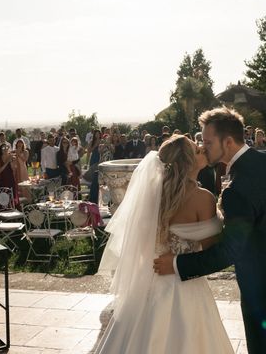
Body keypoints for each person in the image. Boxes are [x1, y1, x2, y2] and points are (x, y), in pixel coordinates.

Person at [154, 107, 266, 354]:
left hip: (263, 290)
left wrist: (179, 265)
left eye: (208, 141)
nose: (203, 146)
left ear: (229, 141)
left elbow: (229, 252)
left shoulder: (236, 190)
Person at [96, 135, 234, 353]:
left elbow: (142, 243)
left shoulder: (151, 195)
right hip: (186, 286)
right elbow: (211, 250)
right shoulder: (202, 198)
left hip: (149, 281)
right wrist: (223, 215)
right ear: (188, 163)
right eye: (197, 150)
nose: (202, 149)